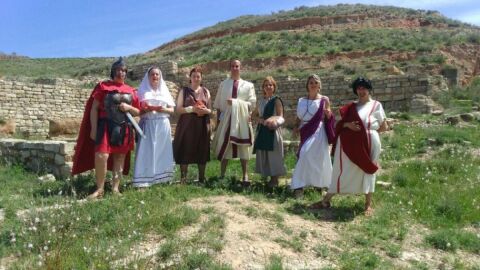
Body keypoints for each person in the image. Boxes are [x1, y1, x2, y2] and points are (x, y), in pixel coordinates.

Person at [311, 77, 388, 215]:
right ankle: (326, 200)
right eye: (358, 88)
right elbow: (340, 125)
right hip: (350, 144)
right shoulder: (351, 107)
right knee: (342, 169)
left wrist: (368, 133)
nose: (361, 91)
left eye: (364, 88)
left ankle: (368, 205)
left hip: (370, 142)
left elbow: (383, 127)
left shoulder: (376, 105)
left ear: (369, 89)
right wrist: (348, 125)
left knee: (368, 170)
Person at [72, 57, 140, 198]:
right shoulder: (103, 87)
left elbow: (138, 112)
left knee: (120, 157)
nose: (121, 73)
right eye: (118, 70)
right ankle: (100, 189)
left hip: (124, 127)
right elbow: (94, 108)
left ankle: (115, 188)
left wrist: (128, 107)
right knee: (101, 155)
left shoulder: (131, 91)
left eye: (123, 70)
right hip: (105, 125)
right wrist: (93, 128)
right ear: (113, 71)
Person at [291, 74, 335, 198]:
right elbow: (298, 117)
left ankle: (319, 186)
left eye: (316, 82)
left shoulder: (324, 99)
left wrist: (328, 114)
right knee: (304, 155)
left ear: (319, 85)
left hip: (318, 131)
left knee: (319, 158)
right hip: (305, 131)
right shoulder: (301, 100)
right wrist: (295, 128)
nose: (313, 84)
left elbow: (329, 116)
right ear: (307, 85)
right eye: (311, 82)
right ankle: (299, 187)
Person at [212, 59, 256, 185]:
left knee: (243, 149)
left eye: (237, 66)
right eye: (232, 66)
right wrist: (218, 122)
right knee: (225, 146)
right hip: (226, 120)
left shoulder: (248, 85)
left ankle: (245, 176)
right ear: (229, 68)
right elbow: (219, 106)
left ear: (240, 68)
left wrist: (236, 103)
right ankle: (222, 175)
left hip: (242, 120)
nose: (235, 68)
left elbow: (252, 104)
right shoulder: (223, 84)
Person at [132, 66, 175, 188]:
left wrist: (163, 109)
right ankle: (143, 180)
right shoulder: (143, 91)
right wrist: (145, 109)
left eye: (157, 74)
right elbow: (138, 109)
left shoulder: (165, 91)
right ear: (148, 77)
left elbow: (172, 109)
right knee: (146, 151)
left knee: (163, 150)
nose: (155, 76)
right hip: (148, 123)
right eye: (152, 74)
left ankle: (163, 178)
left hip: (163, 123)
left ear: (160, 77)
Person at [173, 67, 212, 183]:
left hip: (202, 126)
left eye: (198, 76)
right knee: (185, 149)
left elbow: (211, 110)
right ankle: (183, 179)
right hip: (187, 126)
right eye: (194, 76)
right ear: (190, 78)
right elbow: (178, 110)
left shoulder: (206, 91)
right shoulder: (184, 91)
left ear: (201, 78)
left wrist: (204, 110)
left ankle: (201, 178)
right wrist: (192, 109)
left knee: (202, 149)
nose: (196, 78)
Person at [252, 76, 286, 188]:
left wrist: (273, 120)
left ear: (274, 87)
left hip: (273, 130)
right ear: (263, 88)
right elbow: (254, 115)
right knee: (264, 154)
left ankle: (275, 179)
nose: (268, 86)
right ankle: (267, 178)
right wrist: (261, 120)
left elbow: (280, 115)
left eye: (270, 84)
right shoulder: (260, 101)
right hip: (262, 130)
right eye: (266, 85)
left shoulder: (276, 100)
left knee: (274, 155)